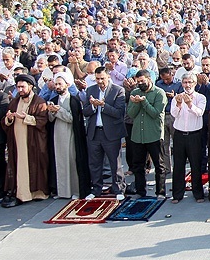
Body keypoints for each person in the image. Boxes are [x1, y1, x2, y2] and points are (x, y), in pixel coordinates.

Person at [2, 74, 50, 207]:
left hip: (34, 142)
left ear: (30, 87)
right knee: (19, 167)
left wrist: (26, 118)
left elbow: (43, 120)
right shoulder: (14, 102)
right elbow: (6, 121)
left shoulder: (39, 102)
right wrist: (9, 118)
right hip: (17, 142)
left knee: (35, 166)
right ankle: (22, 194)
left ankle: (37, 193)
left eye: (22, 87)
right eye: (18, 87)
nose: (20, 90)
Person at [83, 67, 127, 199]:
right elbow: (85, 111)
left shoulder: (118, 90)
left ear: (108, 77)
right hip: (94, 132)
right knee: (94, 163)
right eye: (97, 79)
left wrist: (103, 106)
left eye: (102, 78)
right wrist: (93, 106)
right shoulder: (91, 90)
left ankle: (119, 189)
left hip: (111, 133)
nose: (100, 81)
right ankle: (96, 189)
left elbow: (119, 113)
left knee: (115, 163)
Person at [46, 69, 90, 199]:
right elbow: (50, 120)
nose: (57, 86)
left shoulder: (73, 100)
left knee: (71, 162)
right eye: (56, 84)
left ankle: (75, 191)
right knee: (60, 163)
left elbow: (72, 119)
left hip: (70, 135)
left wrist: (59, 111)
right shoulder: (54, 99)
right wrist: (51, 111)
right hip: (57, 135)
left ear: (67, 84)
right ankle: (62, 192)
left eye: (60, 84)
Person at [125, 70, 167, 199]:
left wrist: (143, 102)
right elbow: (131, 114)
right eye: (138, 82)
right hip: (138, 135)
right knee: (138, 165)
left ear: (149, 79)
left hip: (154, 134)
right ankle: (140, 191)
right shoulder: (134, 92)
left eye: (142, 81)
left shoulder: (159, 93)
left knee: (159, 165)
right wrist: (136, 103)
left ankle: (160, 192)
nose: (140, 84)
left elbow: (155, 113)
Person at [170, 73, 207, 203]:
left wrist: (190, 104)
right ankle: (177, 194)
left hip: (194, 135)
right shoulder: (177, 98)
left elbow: (200, 112)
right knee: (178, 165)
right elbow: (174, 114)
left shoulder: (200, 97)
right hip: (179, 135)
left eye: (190, 82)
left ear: (195, 83)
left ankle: (198, 194)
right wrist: (179, 104)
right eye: (185, 82)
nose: (187, 85)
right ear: (182, 84)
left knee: (196, 165)